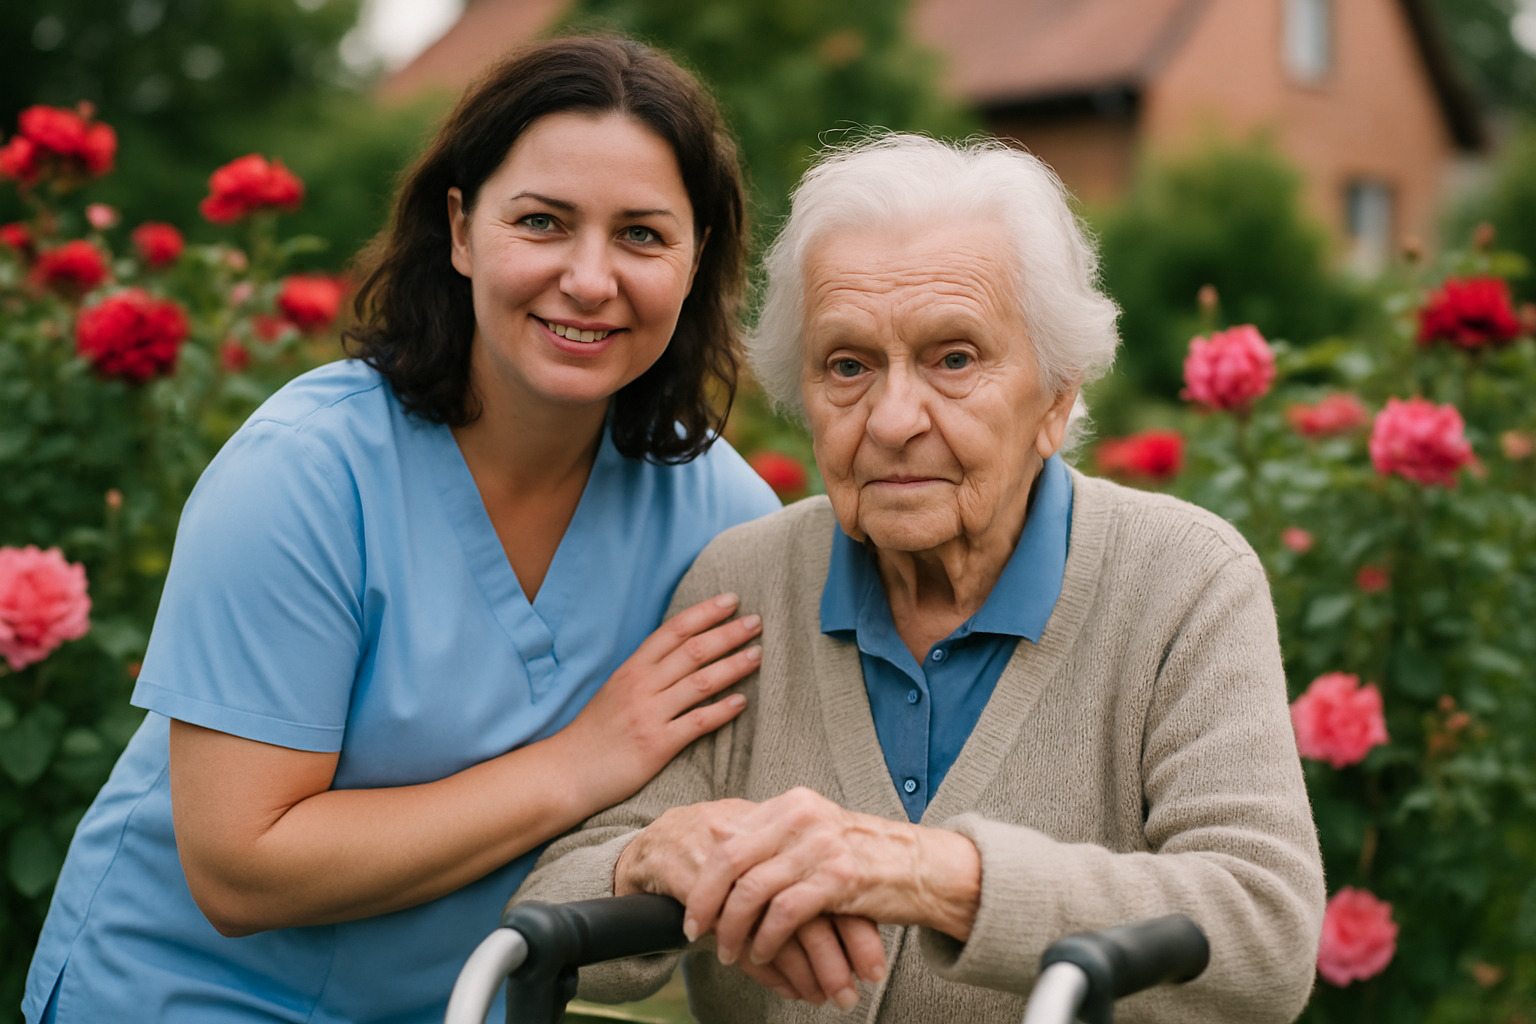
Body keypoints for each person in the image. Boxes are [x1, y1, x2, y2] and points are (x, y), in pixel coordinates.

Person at [23, 36, 781, 1024]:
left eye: (642, 234)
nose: (590, 279)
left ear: (698, 258)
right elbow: (241, 869)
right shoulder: (302, 475)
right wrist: (577, 762)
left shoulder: (723, 516)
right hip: (183, 998)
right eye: (543, 222)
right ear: (462, 230)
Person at [516, 134, 1327, 1023]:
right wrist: (654, 853)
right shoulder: (745, 582)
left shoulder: (1183, 583)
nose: (895, 420)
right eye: (849, 366)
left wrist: (930, 874)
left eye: (954, 359)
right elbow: (565, 917)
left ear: (1056, 397)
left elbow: (1265, 937)